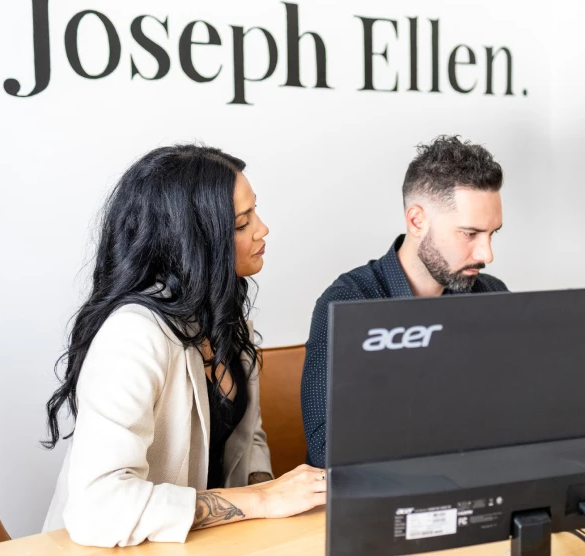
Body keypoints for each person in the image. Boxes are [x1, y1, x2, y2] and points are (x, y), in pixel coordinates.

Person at [42, 144, 326, 547]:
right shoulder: (133, 335)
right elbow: (98, 508)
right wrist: (262, 500)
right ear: (193, 240)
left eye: (255, 212)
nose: (262, 229)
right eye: (242, 223)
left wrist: (273, 499)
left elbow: (247, 438)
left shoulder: (225, 320)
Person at [301, 135, 508, 467]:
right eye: (470, 234)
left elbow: (517, 415)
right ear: (417, 221)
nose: (487, 254)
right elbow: (328, 449)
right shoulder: (348, 303)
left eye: (492, 234)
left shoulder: (492, 295)